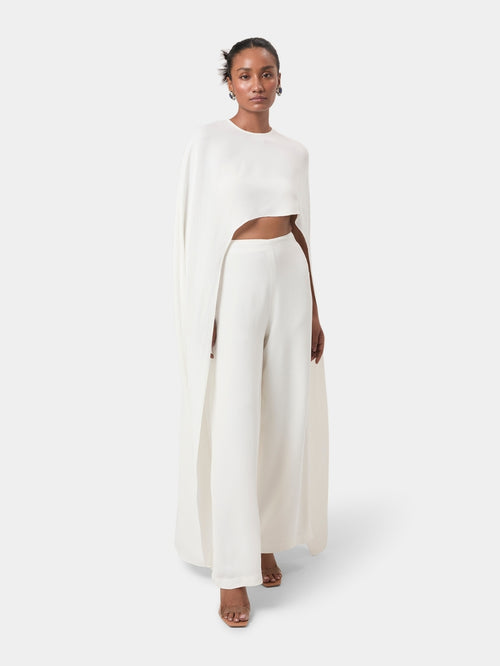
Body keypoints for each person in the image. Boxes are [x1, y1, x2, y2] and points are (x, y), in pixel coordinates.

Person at [172, 36, 330, 628]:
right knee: (235, 421)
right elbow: (195, 232)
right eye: (244, 74)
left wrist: (314, 308)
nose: (257, 84)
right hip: (235, 277)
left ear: (280, 80)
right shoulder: (209, 143)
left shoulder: (295, 152)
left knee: (285, 418)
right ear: (229, 83)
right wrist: (204, 307)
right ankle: (232, 572)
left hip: (289, 275)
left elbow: (302, 230)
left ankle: (267, 537)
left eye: (267, 73)